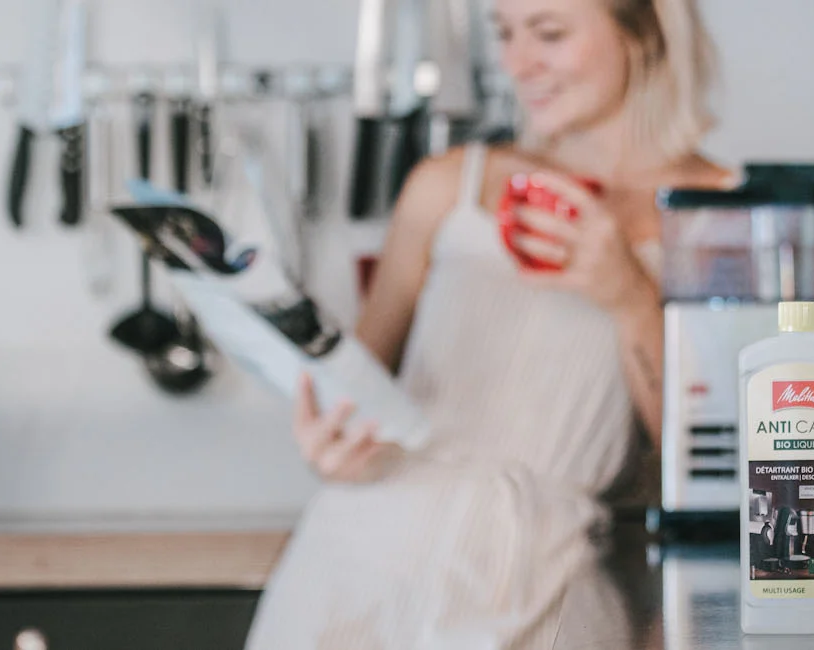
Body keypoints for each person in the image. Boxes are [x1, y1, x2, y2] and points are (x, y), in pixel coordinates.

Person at [244, 0, 728, 647]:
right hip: (357, 557)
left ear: (642, 35)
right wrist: (329, 440)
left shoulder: (725, 214)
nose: (515, 62)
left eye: (548, 33)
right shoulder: (447, 185)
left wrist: (630, 295)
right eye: (503, 33)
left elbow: (718, 463)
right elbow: (354, 380)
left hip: (544, 577)